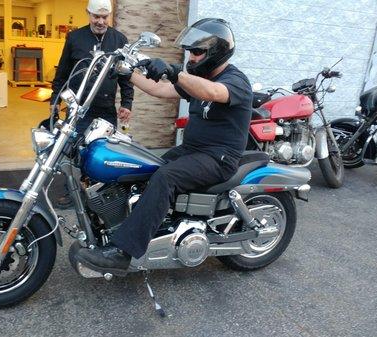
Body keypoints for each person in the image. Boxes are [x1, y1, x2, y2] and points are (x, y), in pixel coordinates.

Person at [77, 18, 253, 271]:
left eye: (197, 52)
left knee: (165, 177)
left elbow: (214, 93)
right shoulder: (197, 78)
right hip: (192, 151)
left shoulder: (235, 81)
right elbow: (157, 89)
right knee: (142, 168)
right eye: (189, 52)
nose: (191, 57)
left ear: (216, 51)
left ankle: (123, 251)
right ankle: (151, 227)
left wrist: (174, 71)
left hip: (217, 158)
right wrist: (126, 72)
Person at [49, 0, 134, 208]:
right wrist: (54, 101)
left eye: (105, 17)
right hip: (78, 107)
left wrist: (127, 103)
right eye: (96, 16)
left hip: (106, 109)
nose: (100, 21)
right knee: (74, 152)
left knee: (103, 152)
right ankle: (74, 193)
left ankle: (99, 194)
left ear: (110, 16)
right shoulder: (75, 37)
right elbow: (63, 72)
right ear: (88, 14)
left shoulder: (120, 39)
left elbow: (126, 77)